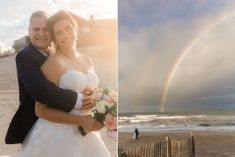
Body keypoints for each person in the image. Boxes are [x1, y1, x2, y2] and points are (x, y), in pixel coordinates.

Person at [12, 10, 111, 157]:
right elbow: (40, 107)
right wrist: (80, 118)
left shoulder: (87, 60)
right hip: (60, 134)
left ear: (75, 27)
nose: (65, 35)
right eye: (58, 32)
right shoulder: (51, 63)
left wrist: (98, 101)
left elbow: (93, 92)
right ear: (55, 38)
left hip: (87, 130)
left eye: (68, 28)